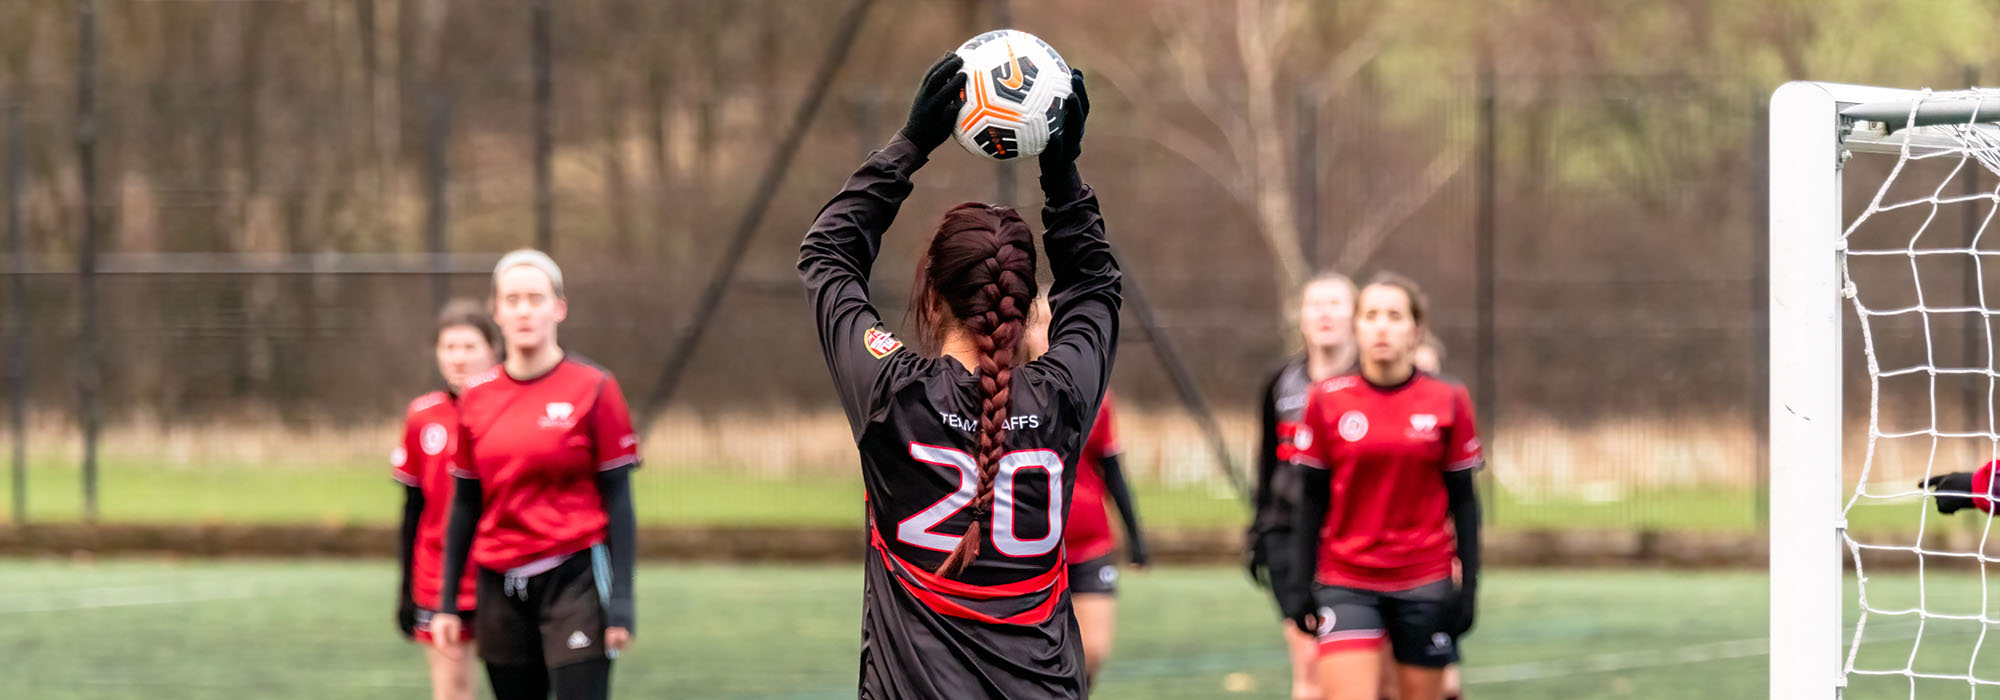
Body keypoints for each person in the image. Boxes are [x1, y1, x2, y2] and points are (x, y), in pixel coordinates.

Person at [797, 53, 1118, 698]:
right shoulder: (1062, 399)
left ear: (931, 297)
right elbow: (1095, 287)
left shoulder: (893, 393)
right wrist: (1062, 174)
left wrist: (909, 145)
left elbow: (828, 254)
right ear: (1030, 307)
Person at [431, 250, 640, 700]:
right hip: (498, 585)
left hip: (574, 580)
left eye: (535, 298)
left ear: (558, 308)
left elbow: (620, 500)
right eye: (513, 299)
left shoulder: (595, 388)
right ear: (497, 312)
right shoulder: (476, 397)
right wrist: (448, 603)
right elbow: (465, 503)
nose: (524, 309)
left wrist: (622, 603)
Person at [1282, 273, 1483, 700]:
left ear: (1416, 329)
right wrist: (1300, 584)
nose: (1382, 326)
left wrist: (1468, 590)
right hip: (1346, 578)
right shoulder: (1326, 399)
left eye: (1394, 315)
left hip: (1424, 578)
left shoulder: (1448, 399)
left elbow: (1465, 502)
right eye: (1371, 315)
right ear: (1356, 327)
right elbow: (1311, 500)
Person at [1024, 296, 1149, 684]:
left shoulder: (1092, 393)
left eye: (1055, 322)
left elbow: (1113, 472)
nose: (1048, 330)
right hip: (1032, 549)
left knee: (1092, 650)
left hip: (1091, 544)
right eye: (1039, 321)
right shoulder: (1005, 394)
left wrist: (1136, 536)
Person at [1247, 272, 1358, 700]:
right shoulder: (1281, 382)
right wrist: (1257, 532)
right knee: (1311, 665)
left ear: (1355, 316)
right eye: (1315, 304)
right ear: (1302, 317)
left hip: (1353, 536)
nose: (1324, 313)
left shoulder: (1371, 381)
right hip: (1290, 538)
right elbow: (1266, 461)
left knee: (1356, 667)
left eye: (1336, 304)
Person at [394, 299, 502, 700]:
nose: (459, 358)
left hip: (503, 570)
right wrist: (405, 589)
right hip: (439, 578)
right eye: (449, 347)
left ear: (493, 349)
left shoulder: (510, 410)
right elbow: (412, 508)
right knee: (453, 690)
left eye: (470, 347)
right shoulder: (423, 416)